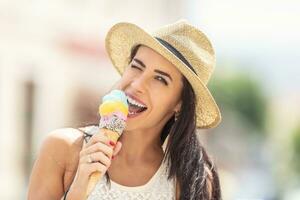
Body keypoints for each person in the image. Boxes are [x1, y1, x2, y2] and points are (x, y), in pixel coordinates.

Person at [27, 20, 222, 200]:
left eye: (160, 79)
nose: (137, 84)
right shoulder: (63, 149)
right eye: (137, 66)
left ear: (179, 103)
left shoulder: (190, 181)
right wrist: (79, 189)